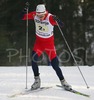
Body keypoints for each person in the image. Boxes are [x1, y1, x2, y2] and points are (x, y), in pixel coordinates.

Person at [21, 3, 72, 90]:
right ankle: (37, 81)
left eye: (41, 15)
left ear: (45, 13)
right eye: (38, 15)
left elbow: (62, 25)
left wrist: (58, 20)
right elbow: (23, 17)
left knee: (55, 65)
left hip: (49, 44)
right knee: (33, 60)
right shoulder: (34, 15)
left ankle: (63, 81)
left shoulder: (50, 17)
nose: (39, 17)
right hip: (39, 43)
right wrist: (24, 11)